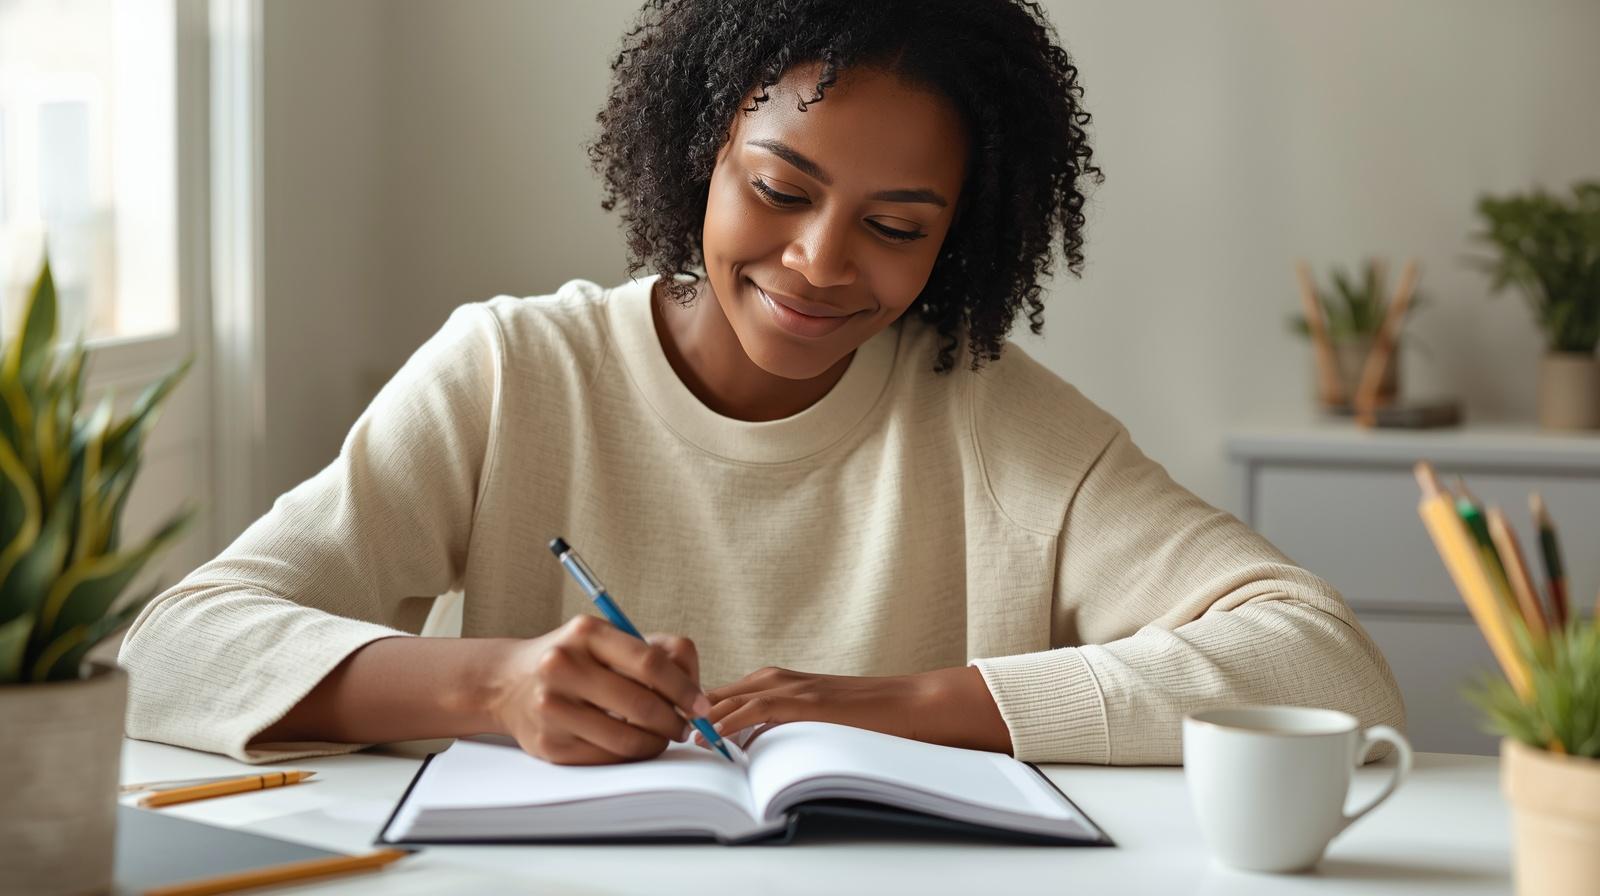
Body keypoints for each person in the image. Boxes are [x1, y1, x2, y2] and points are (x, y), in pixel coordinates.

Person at [120, 0, 1404, 767]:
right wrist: (489, 684)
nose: (819, 264)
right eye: (780, 191)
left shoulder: (995, 415)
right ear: (696, 155)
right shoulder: (515, 370)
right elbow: (171, 650)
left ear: (963, 235)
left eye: (897, 227)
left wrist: (907, 704)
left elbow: (1328, 667)